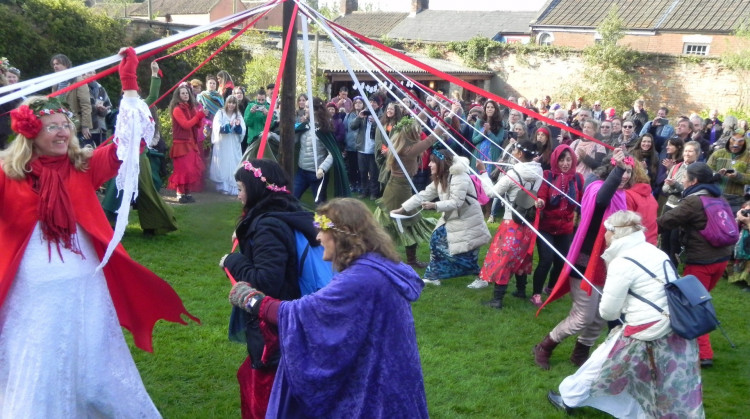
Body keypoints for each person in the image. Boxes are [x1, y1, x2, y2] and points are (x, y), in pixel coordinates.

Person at [0, 49, 197, 417]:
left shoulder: (82, 166)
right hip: (31, 289)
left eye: (65, 125)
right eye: (52, 126)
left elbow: (131, 143)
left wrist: (130, 86)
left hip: (82, 281)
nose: (62, 133)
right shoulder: (7, 175)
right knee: (39, 357)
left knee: (91, 356)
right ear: (30, 133)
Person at [227, 198, 428, 418]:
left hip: (379, 385)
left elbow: (300, 314)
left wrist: (252, 300)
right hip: (393, 376)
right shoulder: (380, 265)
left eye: (322, 231)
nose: (318, 237)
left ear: (340, 235)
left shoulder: (360, 278)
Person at [547, 210, 704, 418]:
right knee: (657, 378)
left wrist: (621, 306)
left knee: (601, 365)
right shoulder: (655, 251)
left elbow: (608, 311)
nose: (603, 236)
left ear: (613, 233)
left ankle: (569, 399)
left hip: (645, 329)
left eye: (605, 231)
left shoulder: (622, 262)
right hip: (674, 324)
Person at [534, 149, 658, 370]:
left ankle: (581, 351)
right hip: (583, 262)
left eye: (629, 171)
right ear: (612, 168)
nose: (626, 176)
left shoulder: (622, 197)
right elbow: (601, 201)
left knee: (602, 315)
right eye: (622, 171)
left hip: (608, 265)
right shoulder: (596, 188)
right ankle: (545, 346)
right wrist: (618, 169)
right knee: (583, 316)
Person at [218, 159, 317, 418]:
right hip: (290, 315)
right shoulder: (285, 210)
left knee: (268, 388)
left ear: (256, 188)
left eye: (241, 188)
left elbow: (266, 281)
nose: (238, 194)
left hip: (273, 323)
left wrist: (232, 260)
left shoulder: (268, 225)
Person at [657, 162, 733, 368]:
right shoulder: (718, 196)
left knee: (693, 306)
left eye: (685, 177)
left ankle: (704, 354)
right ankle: (684, 343)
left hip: (701, 261)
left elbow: (665, 222)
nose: (682, 180)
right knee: (699, 302)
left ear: (694, 181)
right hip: (722, 259)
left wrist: (640, 228)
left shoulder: (693, 201)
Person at [396, 148, 491, 285]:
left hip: (467, 220)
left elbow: (456, 202)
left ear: (441, 163)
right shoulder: (442, 177)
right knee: (436, 242)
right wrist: (403, 208)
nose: (429, 165)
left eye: (432, 162)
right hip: (453, 218)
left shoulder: (459, 177)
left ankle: (483, 277)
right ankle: (433, 275)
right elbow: (424, 194)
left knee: (464, 255)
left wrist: (434, 206)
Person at [475, 140, 543, 303]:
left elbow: (491, 193)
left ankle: (497, 300)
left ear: (520, 154)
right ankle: (521, 290)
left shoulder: (513, 174)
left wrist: (483, 172)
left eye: (515, 150)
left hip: (511, 223)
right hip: (527, 223)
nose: (513, 152)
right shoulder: (539, 172)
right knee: (521, 256)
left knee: (502, 258)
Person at [373, 117, 437, 268]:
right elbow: (430, 139)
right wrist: (449, 116)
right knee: (409, 222)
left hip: (394, 186)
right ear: (411, 133)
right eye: (417, 130)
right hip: (400, 189)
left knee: (391, 221)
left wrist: (423, 114)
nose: (419, 132)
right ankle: (410, 260)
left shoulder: (398, 144)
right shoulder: (409, 150)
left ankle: (380, 255)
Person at [531, 145, 583, 307]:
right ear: (555, 160)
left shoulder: (578, 178)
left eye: (568, 159)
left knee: (561, 261)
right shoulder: (548, 175)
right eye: (561, 159)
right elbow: (542, 195)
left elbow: (581, 201)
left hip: (565, 228)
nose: (565, 163)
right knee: (546, 260)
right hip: (546, 226)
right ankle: (536, 293)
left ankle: (551, 287)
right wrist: (540, 202)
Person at [292, 97, 350, 205]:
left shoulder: (324, 130)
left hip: (317, 175)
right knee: (292, 199)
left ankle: (322, 222)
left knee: (321, 205)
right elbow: (291, 141)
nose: (305, 109)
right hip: (302, 172)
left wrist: (322, 169)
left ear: (316, 110)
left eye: (308, 107)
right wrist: (270, 136)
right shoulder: (305, 126)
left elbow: (332, 153)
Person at [660, 140, 699, 264]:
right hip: (669, 205)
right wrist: (674, 187)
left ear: (697, 154)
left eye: (690, 151)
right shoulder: (677, 166)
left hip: (682, 208)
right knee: (664, 238)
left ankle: (673, 269)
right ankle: (662, 267)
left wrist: (675, 184)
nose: (687, 154)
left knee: (674, 240)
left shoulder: (698, 170)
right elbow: (664, 188)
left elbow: (692, 192)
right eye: (686, 151)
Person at [167, 84, 206, 203]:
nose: (185, 95)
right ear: (178, 96)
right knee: (182, 170)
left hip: (191, 143)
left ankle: (188, 193)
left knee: (191, 169)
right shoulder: (177, 109)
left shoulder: (191, 108)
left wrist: (200, 117)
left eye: (186, 93)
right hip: (181, 144)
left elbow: (197, 124)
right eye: (182, 93)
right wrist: (199, 115)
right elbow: (186, 125)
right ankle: (180, 194)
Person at [50, 53, 93, 146]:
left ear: (66, 64)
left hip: (74, 124)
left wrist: (85, 126)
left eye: (58, 64)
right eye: (54, 64)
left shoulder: (78, 80)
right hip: (60, 123)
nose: (55, 66)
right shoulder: (55, 82)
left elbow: (85, 104)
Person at [707, 129, 750, 213]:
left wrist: (738, 176)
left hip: (735, 200)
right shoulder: (718, 153)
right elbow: (706, 171)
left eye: (739, 142)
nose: (735, 145)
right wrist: (717, 175)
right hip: (715, 195)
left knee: (730, 224)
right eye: (733, 141)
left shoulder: (748, 157)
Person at [210, 96, 246, 195]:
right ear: (226, 103)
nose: (231, 105)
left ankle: (233, 187)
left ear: (236, 105)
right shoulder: (220, 113)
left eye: (233, 103)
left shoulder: (238, 115)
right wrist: (228, 126)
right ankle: (223, 187)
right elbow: (216, 127)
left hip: (233, 143)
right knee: (223, 163)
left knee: (233, 162)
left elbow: (243, 130)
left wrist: (238, 126)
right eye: (229, 103)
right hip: (222, 143)